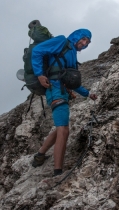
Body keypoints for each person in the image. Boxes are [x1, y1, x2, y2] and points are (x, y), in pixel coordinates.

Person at [31, 29, 97, 176]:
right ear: (77, 36)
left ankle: (39, 156)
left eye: (87, 42)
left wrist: (88, 94)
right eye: (84, 39)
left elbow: (72, 81)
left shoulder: (72, 55)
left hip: (62, 92)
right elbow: (37, 51)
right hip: (54, 90)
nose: (84, 43)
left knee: (60, 127)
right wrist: (40, 75)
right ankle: (58, 172)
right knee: (64, 130)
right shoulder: (62, 41)